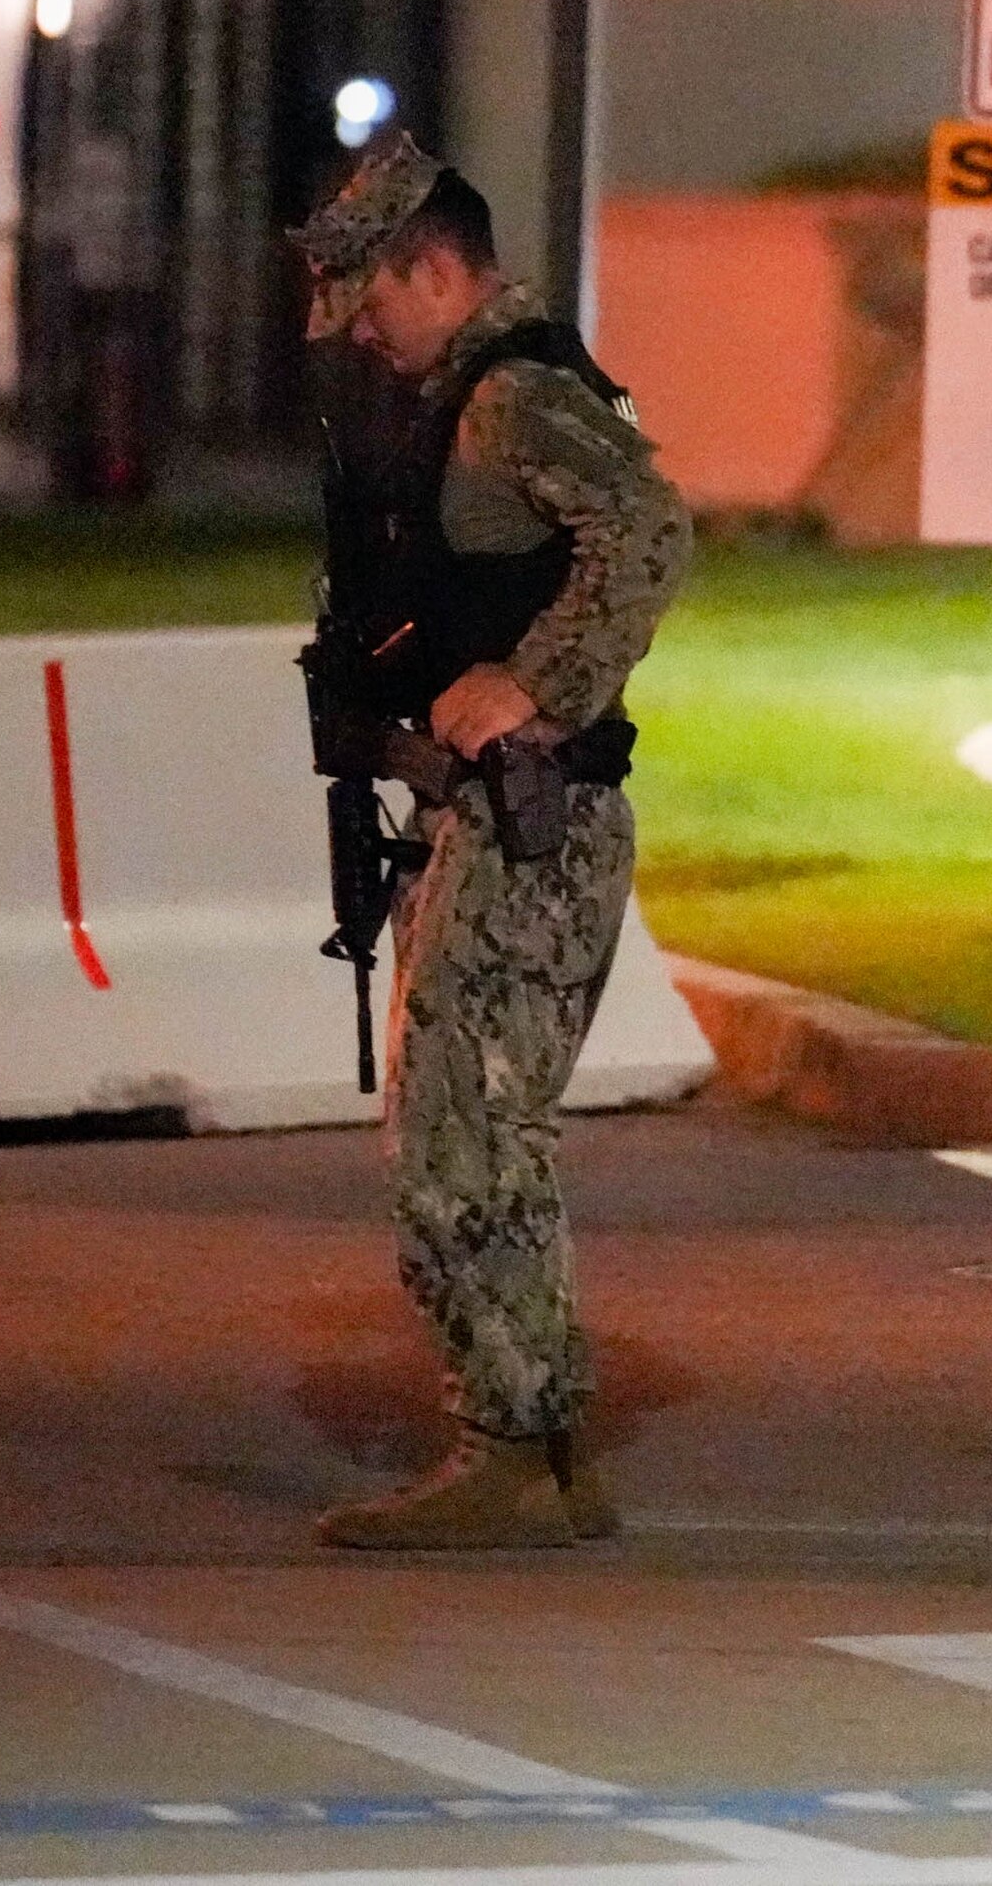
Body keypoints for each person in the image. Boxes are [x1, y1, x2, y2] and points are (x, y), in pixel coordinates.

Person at [290, 133, 692, 1550]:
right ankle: (530, 1438)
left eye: (378, 298)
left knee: (461, 1141)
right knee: (476, 1132)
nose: (367, 333)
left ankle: (510, 1444)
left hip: (537, 822)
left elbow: (647, 527)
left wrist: (538, 681)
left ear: (439, 268)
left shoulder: (512, 396)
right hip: (493, 820)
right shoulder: (467, 399)